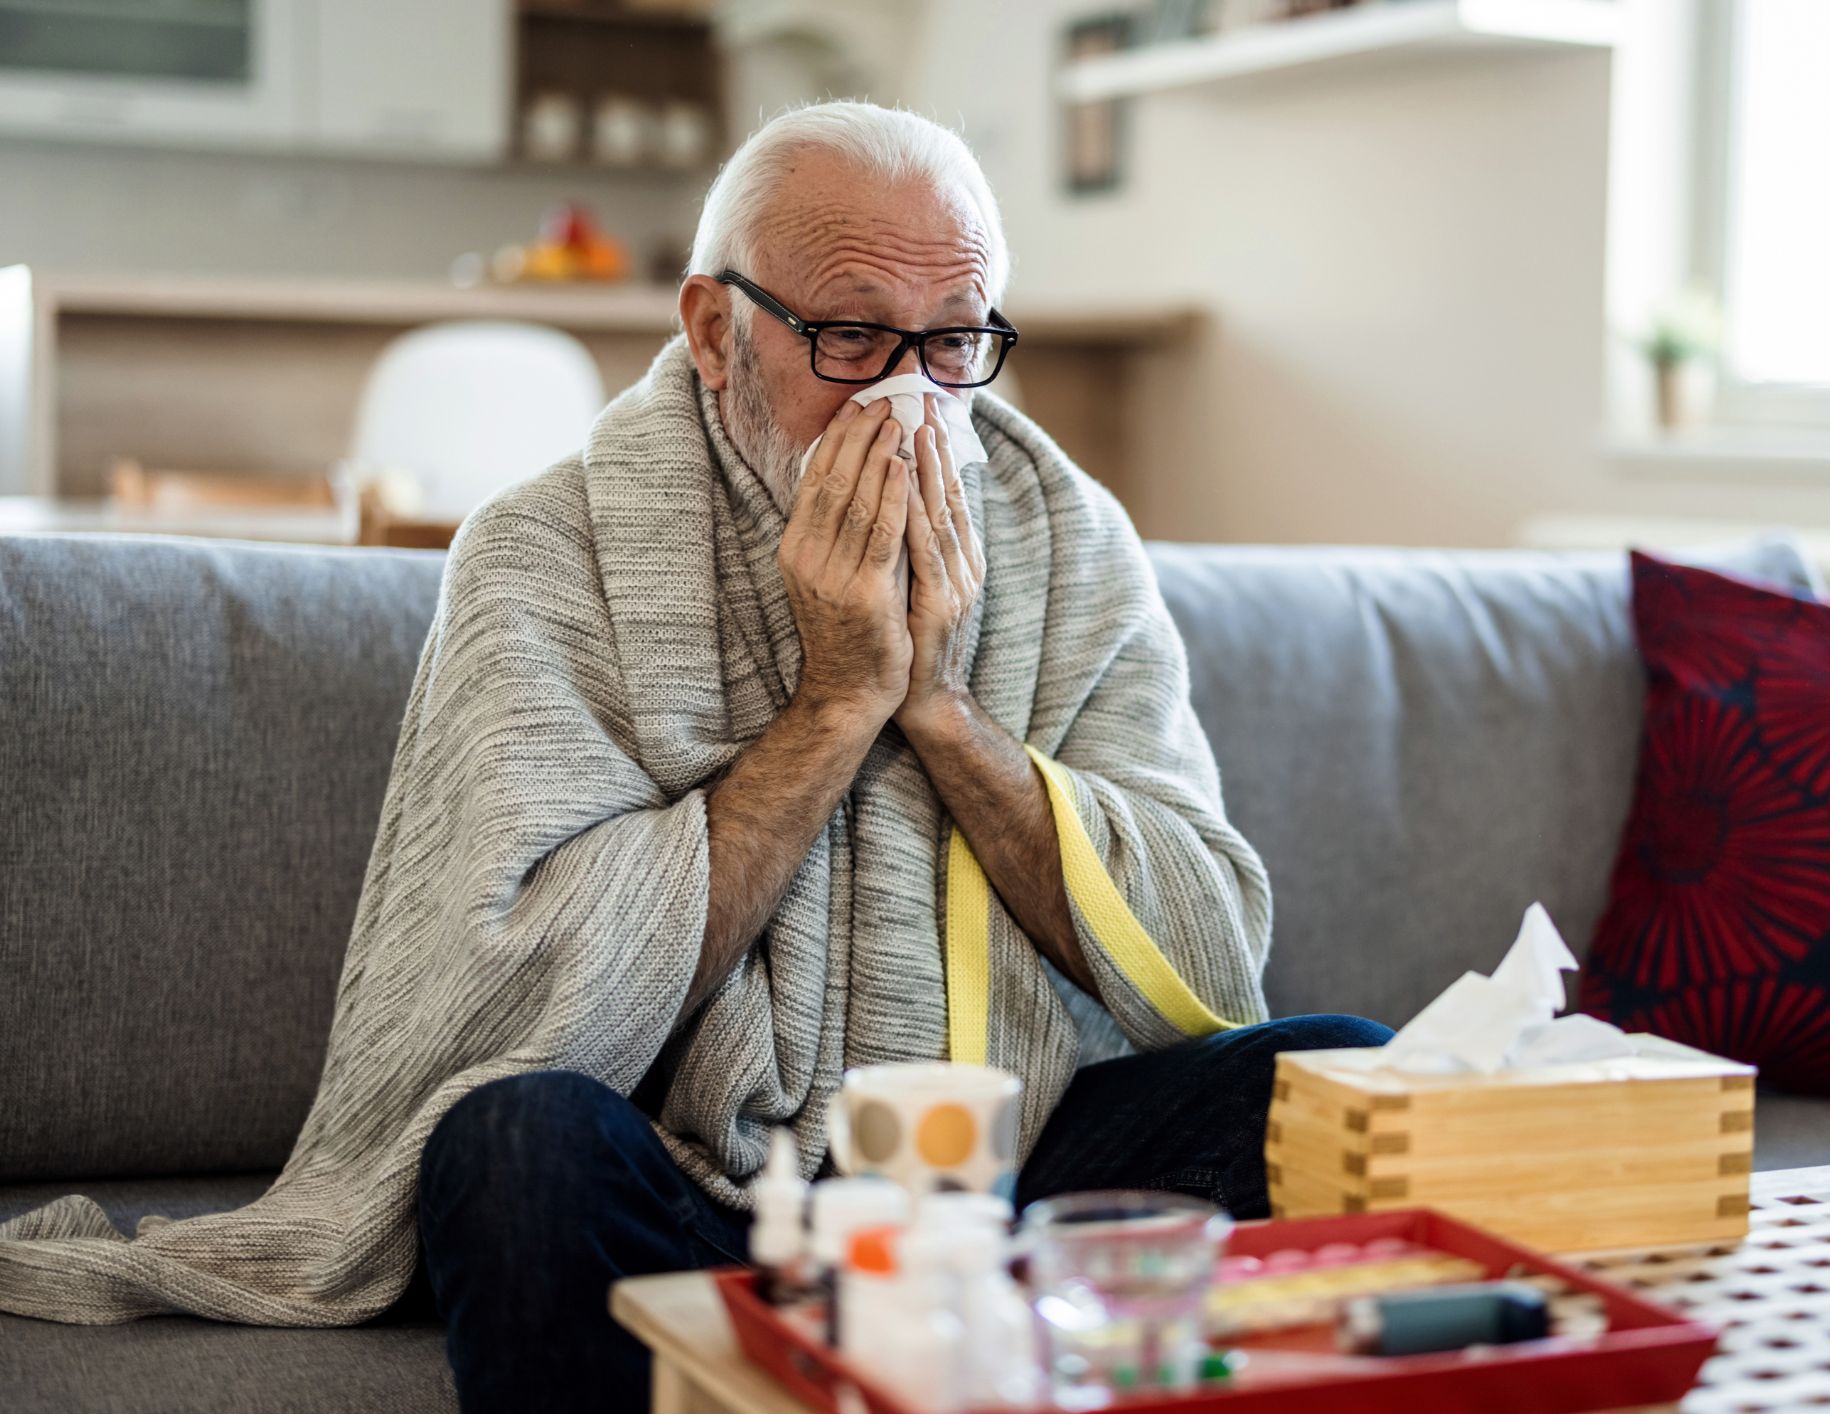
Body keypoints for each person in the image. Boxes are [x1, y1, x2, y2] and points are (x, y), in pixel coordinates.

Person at [0, 101, 1389, 1414]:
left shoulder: (1065, 535)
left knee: (1335, 1073)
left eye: (954, 339)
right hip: (687, 1179)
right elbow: (511, 989)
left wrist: (944, 709)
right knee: (510, 1144)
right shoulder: (545, 549)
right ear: (715, 330)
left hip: (1004, 1161)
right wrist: (837, 703)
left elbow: (1206, 955)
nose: (907, 401)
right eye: (851, 336)